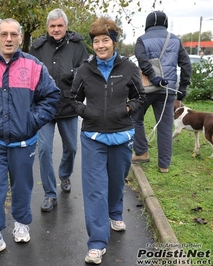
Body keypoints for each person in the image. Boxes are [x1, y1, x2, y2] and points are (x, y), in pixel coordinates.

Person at [0, 18, 60, 260]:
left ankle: (22, 222)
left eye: (13, 34)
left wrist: (31, 121)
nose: (8, 39)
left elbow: (51, 96)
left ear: (19, 37)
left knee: (22, 184)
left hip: (24, 141)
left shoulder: (34, 66)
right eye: (4, 34)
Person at [69, 16, 146, 264]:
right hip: (93, 137)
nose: (100, 45)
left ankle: (115, 212)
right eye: (96, 41)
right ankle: (97, 243)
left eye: (105, 40)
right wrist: (87, 112)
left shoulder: (128, 69)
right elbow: (73, 99)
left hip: (121, 136)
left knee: (115, 182)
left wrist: (125, 110)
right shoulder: (84, 70)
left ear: (114, 42)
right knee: (94, 190)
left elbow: (140, 97)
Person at [29, 8, 88, 212]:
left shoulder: (78, 46)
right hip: (44, 107)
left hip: (68, 105)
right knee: (44, 149)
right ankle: (49, 194)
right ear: (48, 27)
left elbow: (87, 69)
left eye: (60, 26)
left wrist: (74, 73)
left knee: (71, 147)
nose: (56, 29)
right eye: (52, 26)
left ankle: (64, 174)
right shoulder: (37, 47)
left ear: (65, 26)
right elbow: (28, 74)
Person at [131, 11, 192, 173]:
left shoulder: (141, 40)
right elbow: (186, 65)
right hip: (167, 91)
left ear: (148, 23)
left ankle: (142, 152)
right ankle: (164, 165)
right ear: (165, 23)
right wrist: (183, 88)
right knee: (165, 127)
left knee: (135, 118)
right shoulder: (174, 40)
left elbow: (142, 61)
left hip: (146, 88)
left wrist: (153, 77)